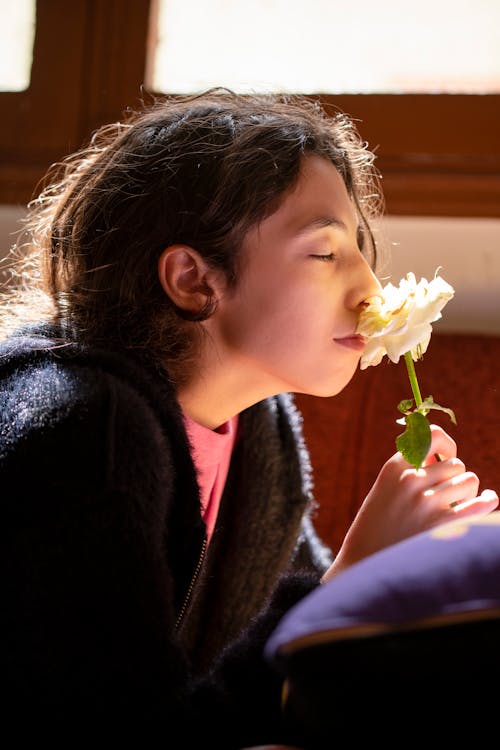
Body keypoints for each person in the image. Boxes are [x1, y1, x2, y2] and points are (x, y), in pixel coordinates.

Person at [0, 88, 497, 745]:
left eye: (359, 251)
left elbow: (290, 662)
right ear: (194, 279)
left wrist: (413, 565)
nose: (370, 289)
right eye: (326, 254)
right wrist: (352, 578)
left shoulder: (259, 427)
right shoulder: (85, 433)